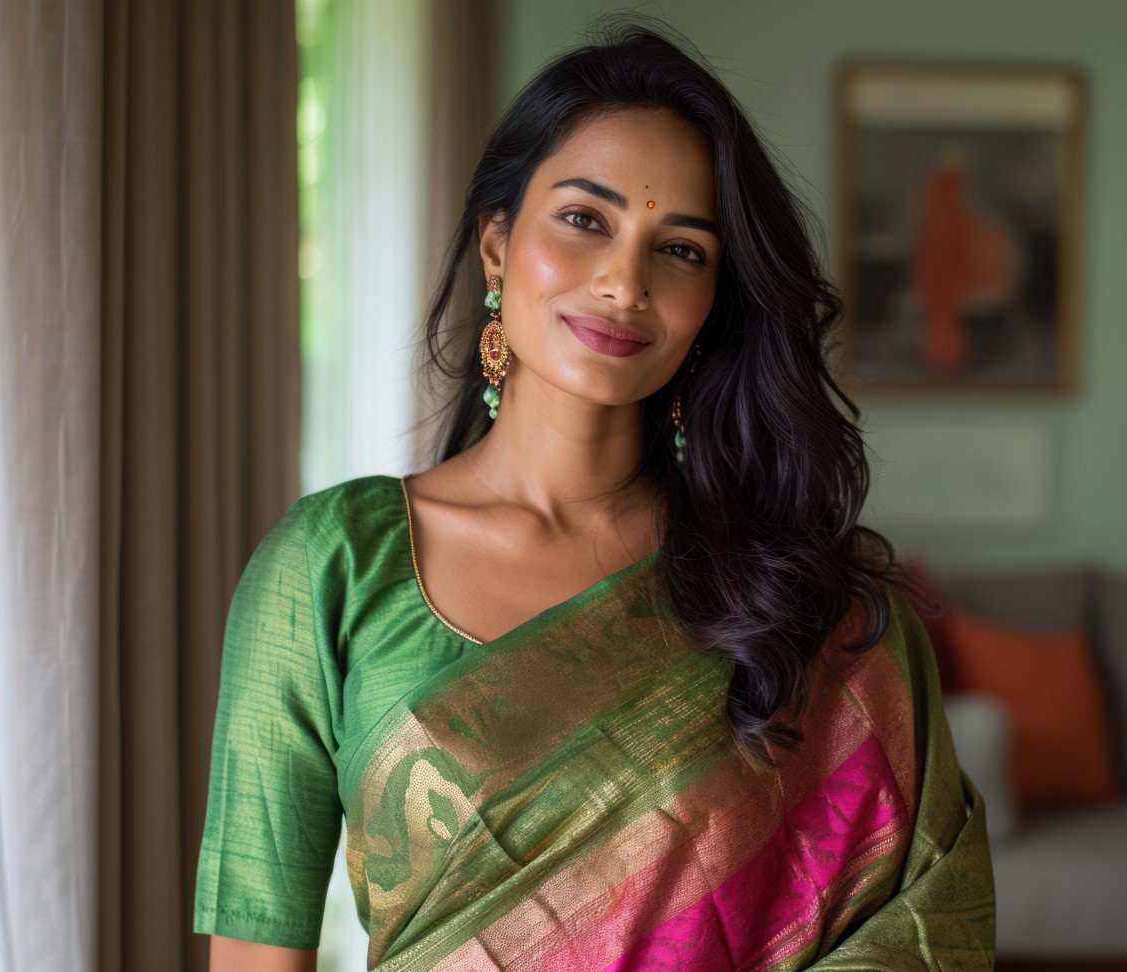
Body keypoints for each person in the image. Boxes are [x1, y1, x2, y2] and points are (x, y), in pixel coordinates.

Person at [193, 17, 995, 971]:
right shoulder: (333, 565)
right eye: (585, 220)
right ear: (497, 245)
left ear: (712, 305)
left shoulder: (810, 604)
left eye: (682, 250)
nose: (624, 283)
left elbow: (929, 916)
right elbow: (254, 940)